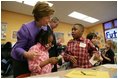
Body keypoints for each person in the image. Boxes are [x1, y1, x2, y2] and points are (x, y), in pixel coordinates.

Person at [11, 2, 55, 77]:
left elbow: (41, 43)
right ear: (40, 16)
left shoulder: (45, 27)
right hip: (21, 60)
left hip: (33, 60)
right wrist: (26, 54)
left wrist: (46, 46)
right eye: (47, 17)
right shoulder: (26, 28)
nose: (49, 20)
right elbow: (17, 48)